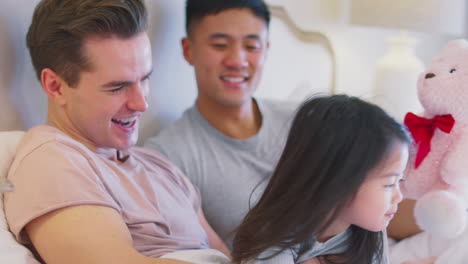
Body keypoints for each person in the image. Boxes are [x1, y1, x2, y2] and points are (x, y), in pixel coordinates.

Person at [4, 0, 230, 263]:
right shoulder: (52, 164)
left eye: (144, 79)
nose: (142, 104)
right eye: (117, 87)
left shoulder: (160, 168)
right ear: (55, 86)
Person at [145, 0, 295, 249]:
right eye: (220, 45)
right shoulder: (168, 159)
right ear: (188, 49)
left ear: (266, 49)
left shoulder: (303, 122)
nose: (237, 60)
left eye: (251, 46)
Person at [232, 95, 413, 264]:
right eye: (389, 184)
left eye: (400, 181)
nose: (399, 196)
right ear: (340, 181)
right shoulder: (274, 239)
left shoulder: (369, 232)